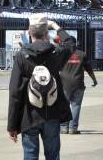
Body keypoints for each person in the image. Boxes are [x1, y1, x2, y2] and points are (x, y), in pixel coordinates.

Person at [7, 15, 77, 160]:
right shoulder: (56, 53)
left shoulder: (22, 55)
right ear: (47, 33)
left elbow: (15, 92)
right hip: (52, 113)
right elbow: (71, 44)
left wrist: (12, 125)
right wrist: (57, 27)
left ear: (29, 32)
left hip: (29, 115)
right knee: (52, 156)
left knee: (30, 155)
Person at [59, 35, 97, 134]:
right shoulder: (82, 54)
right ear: (76, 43)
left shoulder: (62, 54)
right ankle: (73, 128)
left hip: (64, 84)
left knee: (64, 105)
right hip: (78, 83)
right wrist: (94, 80)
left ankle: (63, 127)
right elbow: (89, 69)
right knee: (76, 106)